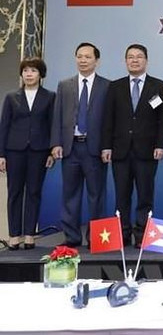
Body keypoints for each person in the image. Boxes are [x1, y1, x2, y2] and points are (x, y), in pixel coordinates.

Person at [101, 44, 163, 247]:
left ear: (146, 61)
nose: (134, 60)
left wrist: (161, 145)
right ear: (125, 61)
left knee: (145, 196)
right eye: (130, 57)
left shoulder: (158, 87)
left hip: (148, 151)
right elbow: (108, 120)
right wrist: (106, 147)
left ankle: (142, 235)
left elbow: (162, 119)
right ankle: (122, 234)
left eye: (139, 57)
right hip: (120, 151)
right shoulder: (115, 87)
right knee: (121, 196)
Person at [51, 42, 110, 247]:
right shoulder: (64, 85)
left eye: (87, 57)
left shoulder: (107, 86)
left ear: (97, 61)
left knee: (97, 196)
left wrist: (107, 146)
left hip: (94, 149)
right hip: (70, 147)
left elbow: (109, 121)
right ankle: (72, 237)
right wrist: (56, 143)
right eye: (79, 56)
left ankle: (97, 239)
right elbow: (57, 116)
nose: (83, 60)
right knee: (70, 195)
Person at [0, 58, 55, 250]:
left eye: (33, 70)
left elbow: (52, 126)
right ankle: (14, 235)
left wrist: (51, 152)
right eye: (25, 71)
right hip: (14, 151)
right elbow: (4, 126)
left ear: (41, 74)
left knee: (33, 192)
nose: (29, 74)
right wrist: (1, 155)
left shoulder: (49, 97)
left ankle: (30, 234)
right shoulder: (11, 97)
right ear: (21, 74)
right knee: (14, 193)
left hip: (39, 152)